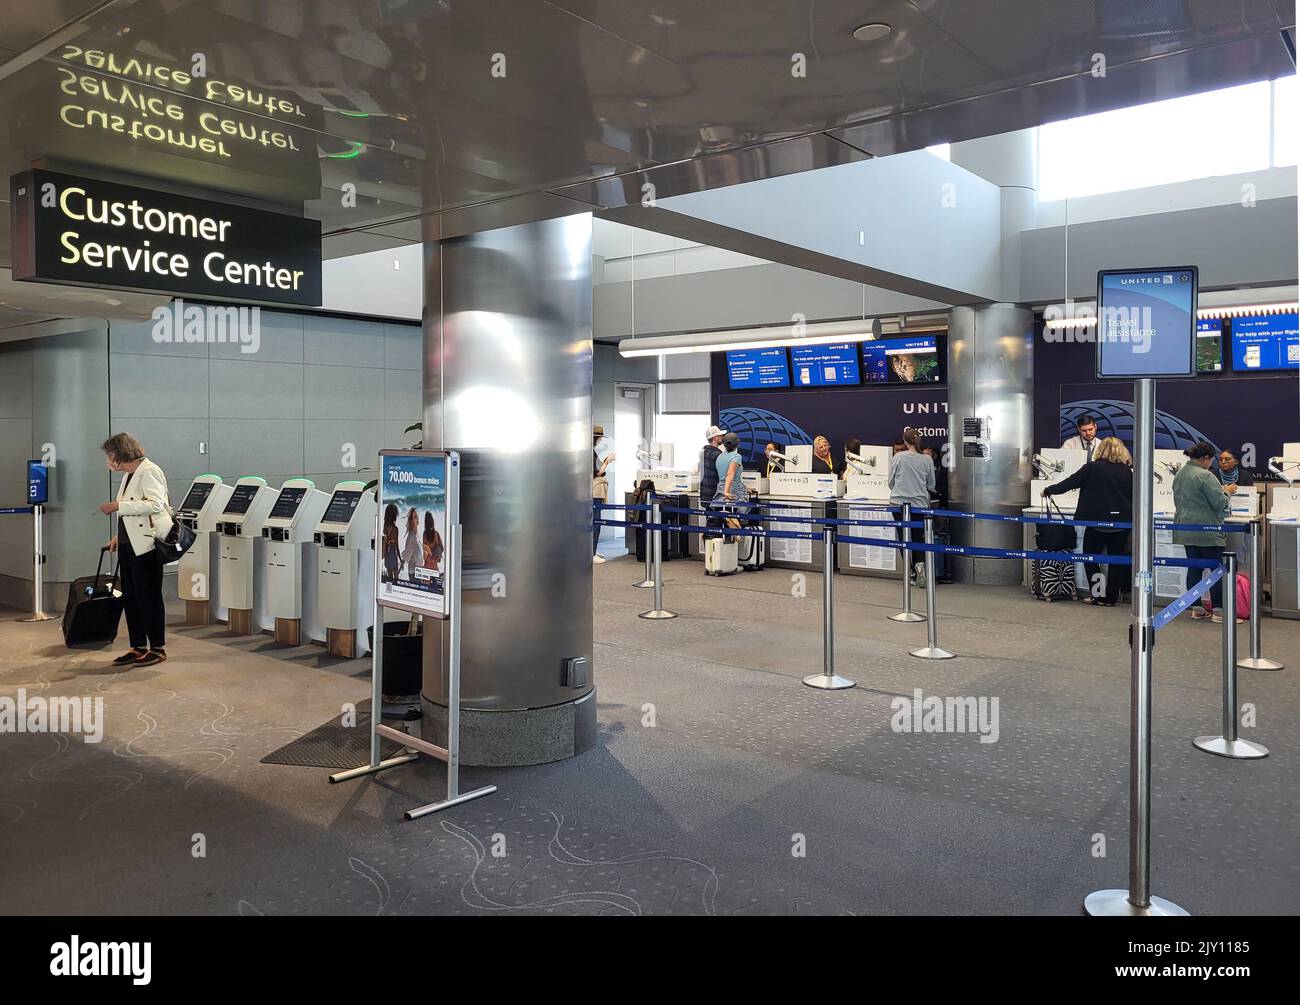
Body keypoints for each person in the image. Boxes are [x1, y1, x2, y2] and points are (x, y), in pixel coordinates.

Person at [100, 433, 172, 668]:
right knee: (131, 597)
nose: (108, 461)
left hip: (147, 546)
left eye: (110, 456)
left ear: (120, 454)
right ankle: (138, 646)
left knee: (148, 596)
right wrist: (118, 536)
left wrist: (118, 505)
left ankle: (157, 648)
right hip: (129, 544)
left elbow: (156, 504)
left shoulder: (149, 471)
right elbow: (131, 514)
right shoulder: (129, 475)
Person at [1042, 437, 1133, 606]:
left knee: (1090, 559)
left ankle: (1098, 595)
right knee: (1116, 562)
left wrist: (1049, 490)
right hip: (1121, 523)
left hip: (1096, 523)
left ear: (1101, 450)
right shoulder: (1127, 471)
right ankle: (1111, 598)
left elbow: (1069, 483)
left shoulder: (1092, 468)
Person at [1173, 442, 1234, 622]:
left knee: (1194, 569)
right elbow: (1219, 502)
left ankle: (1197, 608)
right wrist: (1227, 492)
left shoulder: (1180, 474)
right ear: (1205, 458)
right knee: (1216, 570)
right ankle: (1218, 611)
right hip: (1207, 530)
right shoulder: (1205, 476)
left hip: (1185, 529)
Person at [889, 427, 935, 586]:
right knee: (918, 537)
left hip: (898, 503)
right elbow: (931, 484)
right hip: (919, 504)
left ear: (905, 442)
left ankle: (909, 572)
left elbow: (891, 482)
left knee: (903, 538)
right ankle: (920, 568)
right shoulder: (927, 459)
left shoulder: (898, 457)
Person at [592, 423, 614, 565]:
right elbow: (598, 472)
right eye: (599, 438)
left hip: (592, 490)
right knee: (596, 522)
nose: (600, 440)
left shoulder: (590, 451)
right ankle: (591, 553)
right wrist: (608, 461)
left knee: (594, 522)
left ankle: (591, 551)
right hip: (594, 490)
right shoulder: (589, 452)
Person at [713, 433, 746, 503]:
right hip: (734, 492)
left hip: (720, 491)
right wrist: (726, 492)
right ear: (737, 444)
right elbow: (730, 473)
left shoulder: (719, 457)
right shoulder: (736, 456)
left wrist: (745, 488)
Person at [400, 508, 421, 579]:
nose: (415, 519)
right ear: (411, 521)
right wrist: (403, 555)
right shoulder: (412, 536)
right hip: (414, 572)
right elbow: (407, 555)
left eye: (416, 516)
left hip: (418, 571)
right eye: (413, 518)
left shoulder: (416, 535)